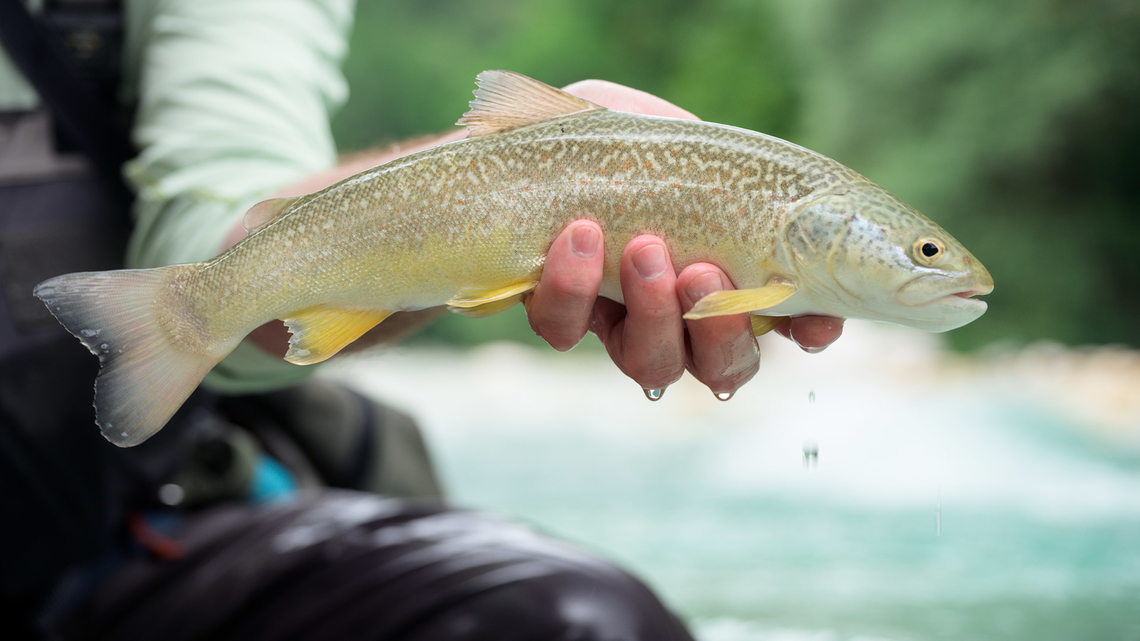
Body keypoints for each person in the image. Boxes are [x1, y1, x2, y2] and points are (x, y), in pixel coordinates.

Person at [0, 1, 843, 639]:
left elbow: (204, 223)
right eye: (920, 254)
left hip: (106, 556)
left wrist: (506, 181)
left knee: (577, 619)